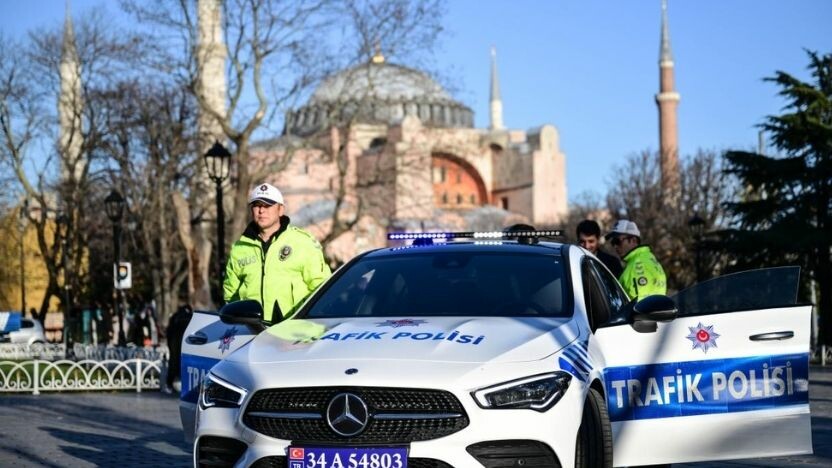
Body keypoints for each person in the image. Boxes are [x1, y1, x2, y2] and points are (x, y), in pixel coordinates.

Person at [223, 182, 331, 323]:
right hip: (252, 331)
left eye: (268, 205)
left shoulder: (302, 242)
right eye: (257, 205)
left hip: (294, 329)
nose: (261, 211)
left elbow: (322, 287)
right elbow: (231, 295)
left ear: (280, 210)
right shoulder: (240, 248)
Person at [605, 219, 667, 301]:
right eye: (613, 243)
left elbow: (641, 306)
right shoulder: (647, 258)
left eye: (617, 241)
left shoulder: (638, 264)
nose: (615, 246)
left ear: (633, 240)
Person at [165, 304, 192, 394]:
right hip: (185, 346)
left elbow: (169, 332)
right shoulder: (190, 317)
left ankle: (169, 384)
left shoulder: (175, 317)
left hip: (174, 345)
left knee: (173, 364)